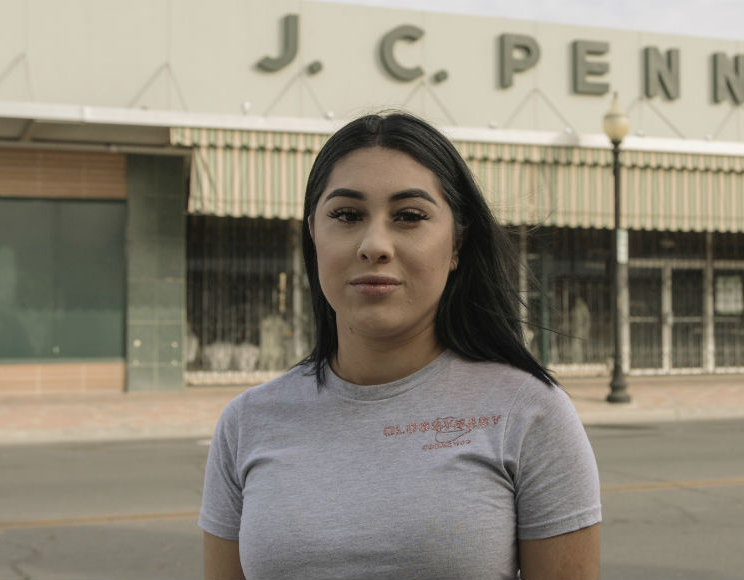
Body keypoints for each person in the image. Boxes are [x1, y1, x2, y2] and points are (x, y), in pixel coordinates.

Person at [199, 112, 601, 580]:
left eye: (409, 216)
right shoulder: (246, 424)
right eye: (347, 215)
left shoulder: (530, 415)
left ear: (456, 244)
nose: (375, 245)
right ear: (313, 235)